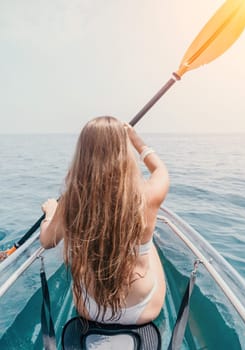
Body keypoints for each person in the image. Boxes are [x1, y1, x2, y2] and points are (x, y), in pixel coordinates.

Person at [40, 116, 170, 325]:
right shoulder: (148, 195)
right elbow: (160, 170)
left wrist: (50, 213)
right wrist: (136, 140)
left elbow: (47, 241)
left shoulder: (73, 199)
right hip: (144, 309)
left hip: (90, 308)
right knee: (149, 246)